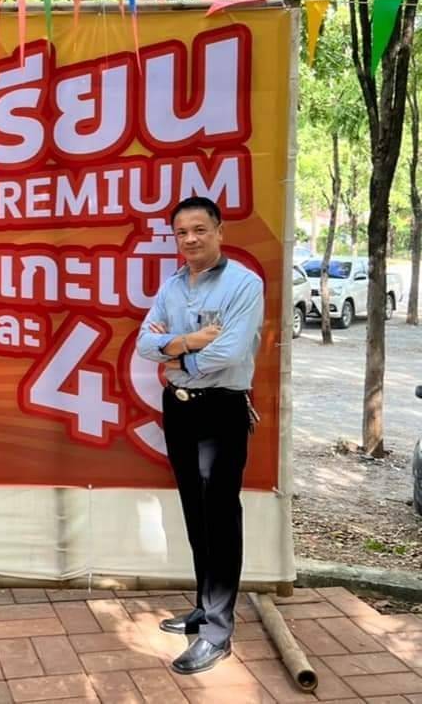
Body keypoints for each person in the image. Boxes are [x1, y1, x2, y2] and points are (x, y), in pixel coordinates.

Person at [136, 196, 264, 675]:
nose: (190, 239)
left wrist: (175, 355)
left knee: (220, 515)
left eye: (199, 229)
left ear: (219, 231)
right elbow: (144, 343)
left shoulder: (244, 284)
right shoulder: (172, 286)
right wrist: (190, 342)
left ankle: (217, 632)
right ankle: (204, 606)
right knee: (195, 510)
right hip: (180, 408)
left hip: (221, 410)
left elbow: (228, 353)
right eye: (181, 233)